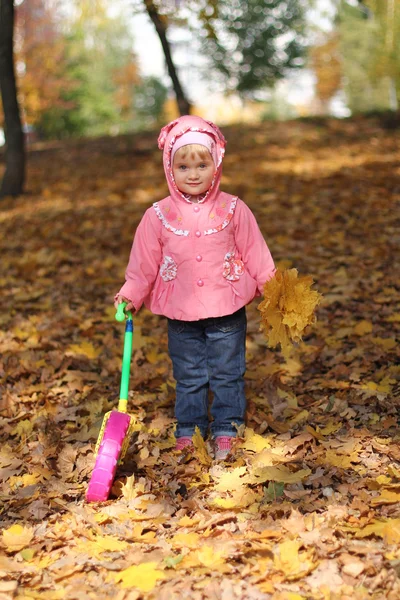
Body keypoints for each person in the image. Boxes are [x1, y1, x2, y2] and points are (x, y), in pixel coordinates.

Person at [114, 115, 276, 460]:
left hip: (227, 308)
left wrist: (272, 286)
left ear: (215, 163)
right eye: (183, 166)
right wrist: (132, 293)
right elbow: (143, 264)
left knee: (228, 372)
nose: (193, 173)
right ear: (170, 168)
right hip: (181, 312)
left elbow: (255, 251)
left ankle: (226, 426)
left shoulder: (233, 209)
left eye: (201, 164)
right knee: (188, 375)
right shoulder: (157, 216)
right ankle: (190, 427)